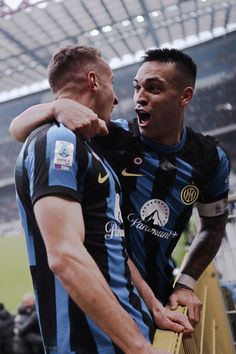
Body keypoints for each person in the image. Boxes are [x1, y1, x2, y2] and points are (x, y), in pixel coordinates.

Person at [10, 47, 230, 328]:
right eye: (137, 87)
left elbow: (213, 225)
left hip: (160, 298)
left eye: (153, 88)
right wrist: (55, 107)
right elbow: (19, 129)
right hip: (109, 301)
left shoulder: (209, 160)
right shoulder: (110, 136)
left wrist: (186, 283)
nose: (139, 97)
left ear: (185, 96)